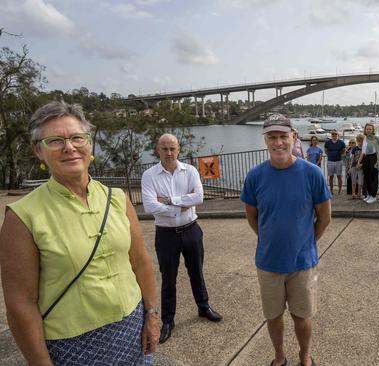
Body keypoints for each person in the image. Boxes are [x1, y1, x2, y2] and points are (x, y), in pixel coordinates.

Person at [0, 101, 160, 365]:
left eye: (77, 138)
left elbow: (140, 262)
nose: (69, 147)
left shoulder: (117, 198)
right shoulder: (23, 217)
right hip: (73, 346)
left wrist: (152, 315)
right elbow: (21, 304)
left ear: (89, 144)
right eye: (55, 141)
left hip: (132, 331)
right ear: (38, 151)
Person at [240, 113, 331, 366]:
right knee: (273, 316)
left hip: (302, 262)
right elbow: (252, 217)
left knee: (302, 316)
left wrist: (307, 242)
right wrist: (269, 239)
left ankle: (305, 356)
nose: (278, 142)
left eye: (283, 136)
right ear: (266, 141)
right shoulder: (255, 176)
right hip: (268, 262)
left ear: (293, 137)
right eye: (272, 137)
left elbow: (325, 217)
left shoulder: (312, 174)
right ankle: (279, 356)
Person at [141, 134, 223, 344]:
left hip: (191, 230)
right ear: (158, 150)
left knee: (197, 272)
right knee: (168, 278)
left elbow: (199, 198)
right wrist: (180, 206)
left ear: (179, 150)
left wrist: (169, 202)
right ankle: (168, 320)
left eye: (172, 148)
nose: (169, 153)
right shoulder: (149, 176)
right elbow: (150, 206)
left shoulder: (190, 171)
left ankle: (203, 307)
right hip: (166, 235)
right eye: (165, 149)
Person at [357, 122, 379, 203]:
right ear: (365, 130)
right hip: (366, 158)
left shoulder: (376, 139)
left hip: (374, 158)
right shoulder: (365, 138)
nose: (368, 130)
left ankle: (373, 196)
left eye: (370, 129)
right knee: (367, 177)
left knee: (373, 177)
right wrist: (359, 161)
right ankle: (368, 195)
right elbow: (363, 152)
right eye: (367, 129)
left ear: (373, 130)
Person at [324, 129, 346, 194]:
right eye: (333, 134)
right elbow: (326, 151)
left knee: (339, 176)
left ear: (337, 135)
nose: (334, 135)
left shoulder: (341, 142)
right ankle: (331, 190)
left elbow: (343, 151)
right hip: (330, 161)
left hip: (339, 161)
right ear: (331, 135)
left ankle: (339, 191)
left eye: (335, 134)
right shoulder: (327, 142)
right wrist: (331, 155)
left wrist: (338, 154)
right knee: (331, 176)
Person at [348, 134, 365, 199]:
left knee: (360, 181)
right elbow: (352, 158)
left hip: (361, 167)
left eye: (361, 140)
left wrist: (361, 164)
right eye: (358, 140)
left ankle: (359, 194)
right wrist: (350, 167)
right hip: (354, 166)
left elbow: (365, 159)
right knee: (353, 180)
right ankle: (353, 194)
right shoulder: (354, 148)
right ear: (357, 141)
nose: (360, 142)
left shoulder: (364, 149)